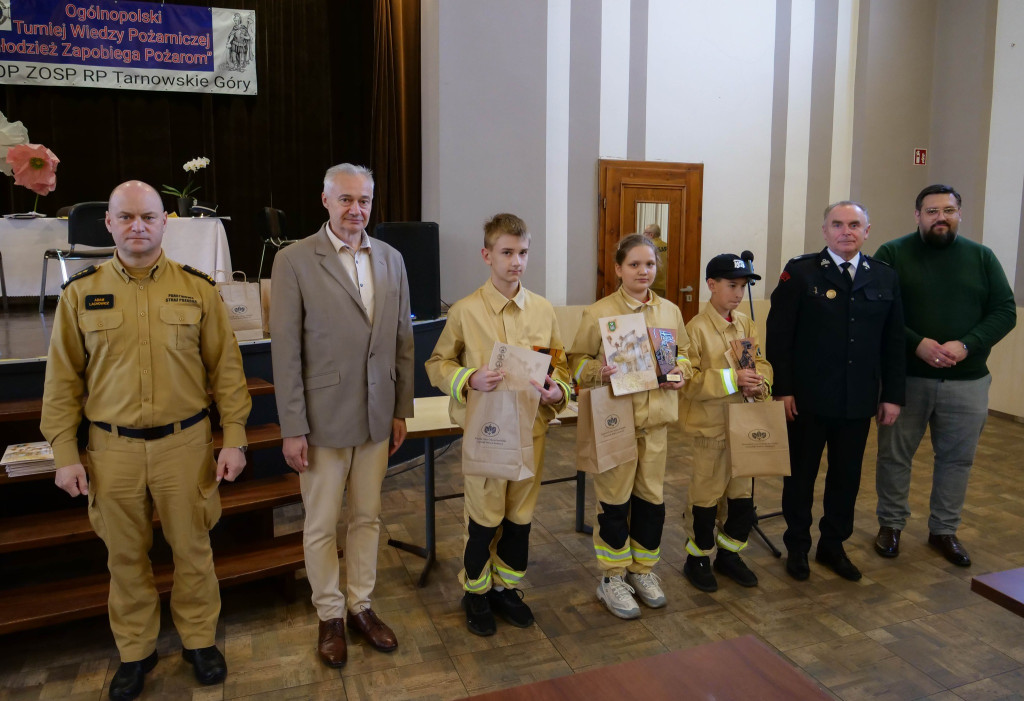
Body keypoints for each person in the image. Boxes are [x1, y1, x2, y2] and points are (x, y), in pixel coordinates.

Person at [40, 181, 251, 701]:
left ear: (164, 224)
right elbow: (62, 382)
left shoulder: (199, 289)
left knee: (193, 550)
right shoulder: (79, 294)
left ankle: (200, 642)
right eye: (127, 217)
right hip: (113, 452)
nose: (138, 226)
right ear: (109, 224)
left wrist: (236, 438)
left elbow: (226, 371)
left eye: (149, 217)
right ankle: (136, 651)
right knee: (125, 558)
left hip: (186, 445)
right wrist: (65, 454)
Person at [270, 163, 414, 668]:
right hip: (323, 418)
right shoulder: (294, 260)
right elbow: (285, 352)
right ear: (326, 201)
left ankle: (361, 606)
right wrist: (293, 427)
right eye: (347, 199)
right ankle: (329, 614)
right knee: (322, 522)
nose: (357, 209)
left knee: (369, 517)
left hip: (378, 415)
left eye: (365, 200)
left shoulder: (392, 259)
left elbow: (402, 341)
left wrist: (401, 409)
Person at [425, 213, 571, 636]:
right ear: (487, 255)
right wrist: (467, 378)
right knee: (485, 518)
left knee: (519, 517)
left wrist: (557, 391)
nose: (516, 262)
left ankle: (506, 587)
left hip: (532, 430)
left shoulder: (543, 310)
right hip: (488, 433)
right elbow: (438, 363)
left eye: (523, 252)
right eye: (507, 252)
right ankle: (476, 591)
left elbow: (559, 362)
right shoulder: (465, 311)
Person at [873, 185, 1016, 566]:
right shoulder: (892, 253)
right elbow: (876, 310)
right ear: (917, 215)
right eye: (932, 211)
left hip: (967, 380)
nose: (941, 217)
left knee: (956, 460)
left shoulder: (981, 257)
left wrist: (966, 345)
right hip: (906, 379)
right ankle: (890, 525)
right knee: (894, 456)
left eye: (949, 210)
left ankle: (944, 530)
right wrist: (917, 343)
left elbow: (1004, 311)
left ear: (959, 214)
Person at [766, 201, 905, 583]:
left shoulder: (883, 277)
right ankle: (797, 546)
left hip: (857, 400)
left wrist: (892, 394)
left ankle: (832, 546)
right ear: (824, 231)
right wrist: (783, 389)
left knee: (846, 478)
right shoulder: (801, 272)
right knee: (800, 477)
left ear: (867, 230)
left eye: (854, 224)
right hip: (806, 399)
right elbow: (780, 337)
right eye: (838, 225)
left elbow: (893, 342)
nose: (847, 231)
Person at [568, 233, 692, 619]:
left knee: (651, 503)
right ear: (618, 268)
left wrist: (681, 372)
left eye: (650, 264)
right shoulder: (599, 312)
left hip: (656, 424)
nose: (643, 271)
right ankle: (612, 577)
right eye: (634, 264)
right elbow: (575, 361)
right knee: (615, 504)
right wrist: (596, 371)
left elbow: (686, 354)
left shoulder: (670, 311)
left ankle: (643, 571)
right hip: (616, 424)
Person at [679, 253, 773, 592]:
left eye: (743, 285)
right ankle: (698, 557)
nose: (738, 292)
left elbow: (760, 361)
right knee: (705, 500)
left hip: (743, 426)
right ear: (711, 285)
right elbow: (688, 381)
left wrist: (761, 380)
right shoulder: (696, 329)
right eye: (732, 285)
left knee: (741, 499)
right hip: (711, 430)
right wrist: (733, 380)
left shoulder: (745, 323)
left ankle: (730, 555)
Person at [643, 223, 670, 298]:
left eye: (645, 232)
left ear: (651, 235)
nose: (643, 235)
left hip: (652, 284)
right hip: (666, 285)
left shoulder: (647, 247)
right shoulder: (668, 246)